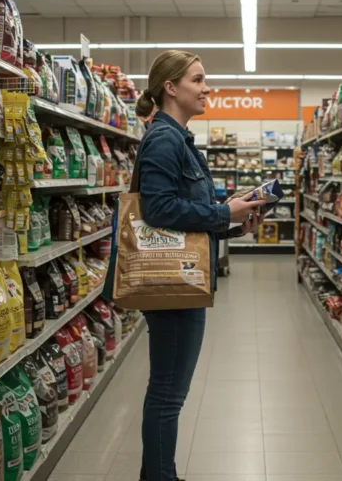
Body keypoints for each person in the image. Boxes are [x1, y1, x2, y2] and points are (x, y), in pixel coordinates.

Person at [132, 50, 266, 481]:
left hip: (186, 279)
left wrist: (235, 220)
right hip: (172, 287)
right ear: (170, 88)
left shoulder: (180, 139)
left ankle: (157, 473)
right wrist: (223, 214)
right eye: (198, 79)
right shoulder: (165, 139)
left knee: (169, 392)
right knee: (168, 395)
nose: (207, 87)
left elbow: (191, 214)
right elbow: (158, 209)